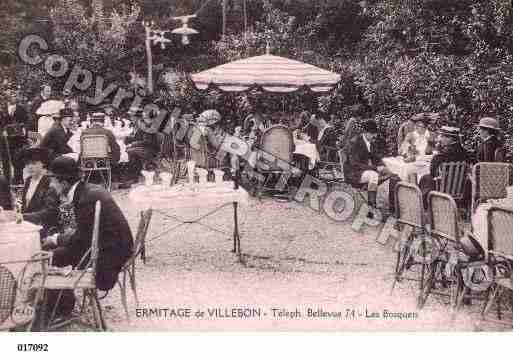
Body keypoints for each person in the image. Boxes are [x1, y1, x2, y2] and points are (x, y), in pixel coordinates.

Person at [41, 156, 134, 320]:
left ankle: (59, 310)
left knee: (54, 256)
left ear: (63, 183)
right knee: (59, 252)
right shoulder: (87, 190)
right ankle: (61, 306)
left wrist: (55, 239)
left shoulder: (85, 198)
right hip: (113, 246)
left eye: (53, 181)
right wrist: (62, 238)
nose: (51, 185)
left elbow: (81, 241)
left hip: (110, 256)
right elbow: (85, 234)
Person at [343, 119, 400, 218]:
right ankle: (371, 208)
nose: (374, 136)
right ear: (365, 132)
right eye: (372, 133)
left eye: (374, 133)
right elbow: (355, 164)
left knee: (393, 173)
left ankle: (393, 207)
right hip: (354, 172)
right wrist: (376, 168)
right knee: (373, 175)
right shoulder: (354, 142)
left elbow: (376, 157)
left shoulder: (371, 142)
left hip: (365, 170)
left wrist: (385, 164)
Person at [418, 126, 469, 206]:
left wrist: (438, 150)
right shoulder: (465, 153)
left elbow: (433, 172)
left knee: (425, 178)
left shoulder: (443, 154)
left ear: (450, 139)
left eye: (442, 136)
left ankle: (423, 204)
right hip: (460, 188)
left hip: (443, 188)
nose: (440, 139)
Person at [19, 147, 60, 237]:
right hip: (27, 225)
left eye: (34, 163)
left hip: (43, 227)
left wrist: (24, 216)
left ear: (43, 164)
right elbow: (25, 205)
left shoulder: (49, 182)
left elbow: (50, 211)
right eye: (27, 164)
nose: (30, 167)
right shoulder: (28, 180)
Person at [125, 108, 161, 181]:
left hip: (150, 149)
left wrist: (132, 144)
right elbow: (138, 137)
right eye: (130, 117)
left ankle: (133, 175)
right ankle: (135, 174)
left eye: (131, 117)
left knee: (130, 151)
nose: (130, 118)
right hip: (144, 148)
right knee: (130, 151)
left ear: (137, 117)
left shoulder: (145, 126)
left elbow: (147, 141)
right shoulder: (137, 125)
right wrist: (129, 138)